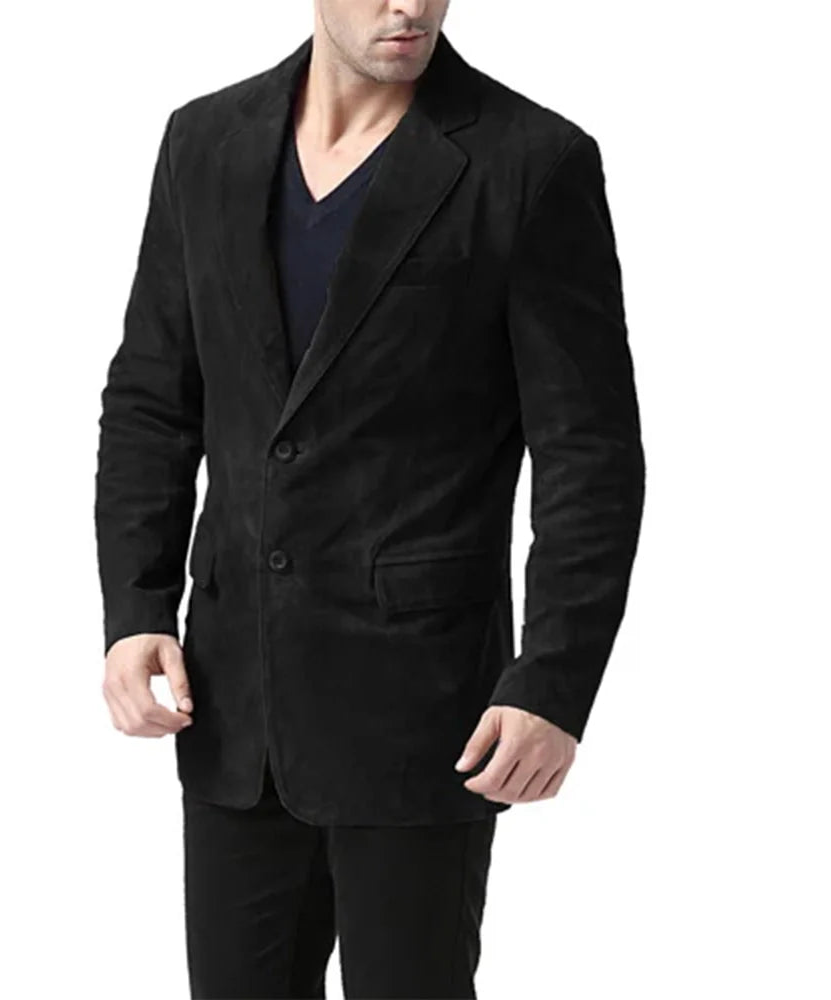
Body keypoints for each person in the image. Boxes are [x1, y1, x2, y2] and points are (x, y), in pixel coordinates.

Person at [94, 2, 646, 996]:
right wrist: (136, 607)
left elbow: (589, 456)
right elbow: (151, 399)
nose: (412, 5)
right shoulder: (204, 141)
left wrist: (551, 684)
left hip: (424, 706)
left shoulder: (530, 160)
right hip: (233, 700)